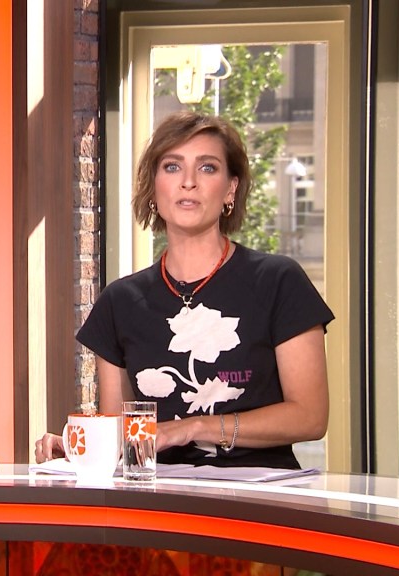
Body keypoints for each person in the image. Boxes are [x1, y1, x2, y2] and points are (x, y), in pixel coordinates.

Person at [36, 111, 334, 469]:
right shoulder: (119, 302)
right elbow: (124, 439)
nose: (188, 182)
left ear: (231, 189)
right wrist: (77, 448)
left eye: (207, 168)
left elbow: (310, 417)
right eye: (172, 167)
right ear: (153, 187)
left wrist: (193, 427)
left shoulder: (278, 281)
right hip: (162, 497)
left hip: (260, 497)